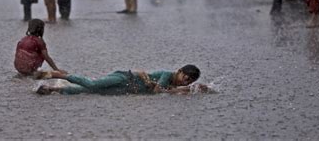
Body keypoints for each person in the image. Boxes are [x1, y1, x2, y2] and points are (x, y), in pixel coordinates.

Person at [36, 64, 210, 95]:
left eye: (188, 82)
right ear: (178, 71)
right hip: (123, 78)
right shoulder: (166, 75)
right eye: (184, 77)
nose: (184, 81)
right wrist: (183, 91)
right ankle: (59, 75)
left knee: (88, 92)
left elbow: (163, 91)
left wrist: (193, 90)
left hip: (127, 89)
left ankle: (53, 90)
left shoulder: (172, 85)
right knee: (93, 84)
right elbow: (158, 92)